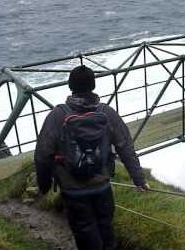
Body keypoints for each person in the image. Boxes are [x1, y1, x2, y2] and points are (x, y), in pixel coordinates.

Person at [34, 65, 150, 250]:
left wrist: (44, 185)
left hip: (73, 189)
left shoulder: (57, 115)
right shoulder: (106, 112)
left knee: (85, 230)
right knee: (106, 227)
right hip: (102, 185)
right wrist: (139, 179)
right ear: (93, 85)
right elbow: (125, 146)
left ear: (70, 86)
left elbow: (42, 155)